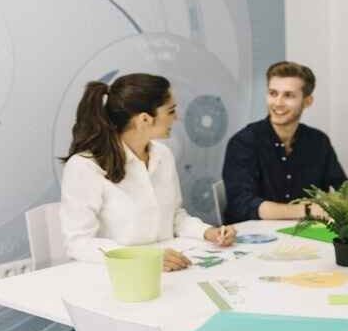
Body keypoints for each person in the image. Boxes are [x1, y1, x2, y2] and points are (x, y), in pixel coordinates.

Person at [60, 73, 236, 272]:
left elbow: (175, 216)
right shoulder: (85, 167)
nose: (177, 118)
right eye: (171, 111)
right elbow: (78, 243)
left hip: (167, 272)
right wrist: (144, 258)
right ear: (144, 119)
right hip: (117, 277)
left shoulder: (163, 155)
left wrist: (208, 232)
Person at [222, 61, 348, 223]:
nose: (278, 103)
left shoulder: (318, 141)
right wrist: (307, 210)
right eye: (273, 93)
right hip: (254, 239)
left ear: (307, 101)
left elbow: (343, 188)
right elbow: (242, 204)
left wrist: (337, 202)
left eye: (288, 95)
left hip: (308, 234)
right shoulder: (243, 142)